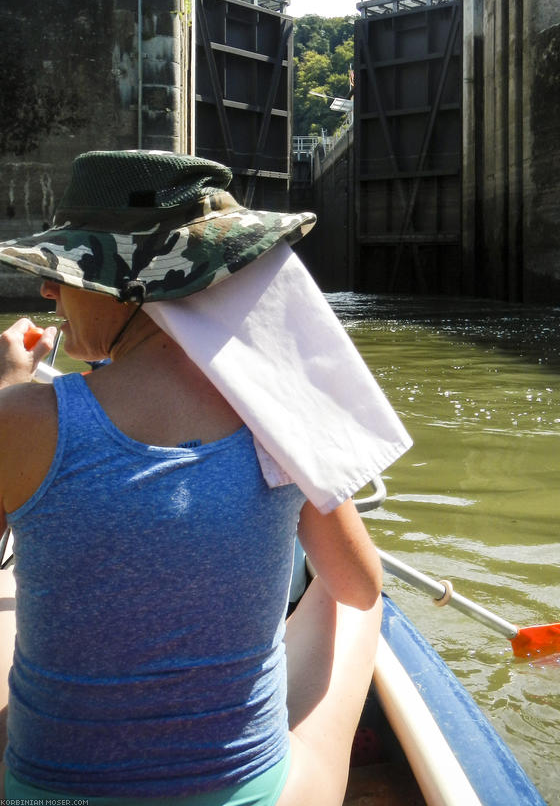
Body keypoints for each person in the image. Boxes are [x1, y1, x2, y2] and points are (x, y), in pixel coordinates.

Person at [0, 150, 394, 806]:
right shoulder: (279, 416)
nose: (49, 290)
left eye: (69, 272)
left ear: (130, 287)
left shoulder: (21, 419)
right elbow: (356, 587)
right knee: (362, 603)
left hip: (40, 796)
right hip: (248, 799)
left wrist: (9, 387)